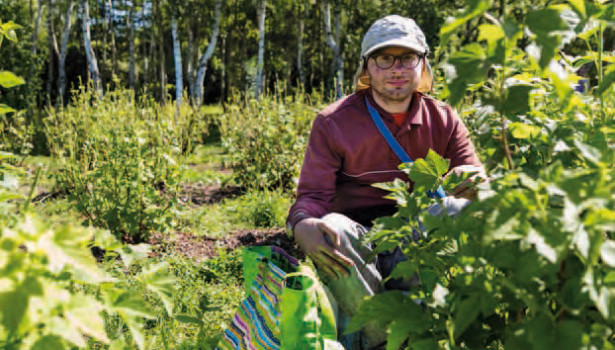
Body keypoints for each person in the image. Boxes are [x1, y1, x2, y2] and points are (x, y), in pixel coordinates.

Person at [285, 15, 483, 350]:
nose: (396, 68)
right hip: (358, 249)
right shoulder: (334, 123)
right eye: (384, 58)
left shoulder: (444, 119)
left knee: (457, 208)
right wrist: (302, 224)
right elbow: (312, 195)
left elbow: (475, 177)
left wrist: (475, 180)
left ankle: (410, 328)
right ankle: (388, 339)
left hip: (417, 245)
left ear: (423, 65)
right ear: (367, 67)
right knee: (331, 226)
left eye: (407, 58)